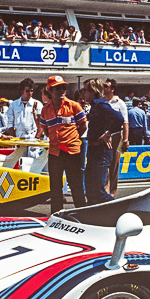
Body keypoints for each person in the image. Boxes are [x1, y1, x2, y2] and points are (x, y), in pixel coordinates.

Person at [37, 75, 87, 214]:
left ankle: (83, 215)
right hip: (55, 153)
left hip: (72, 152)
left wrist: (72, 139)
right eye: (58, 88)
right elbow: (45, 129)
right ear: (50, 91)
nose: (62, 91)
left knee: (76, 186)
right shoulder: (45, 110)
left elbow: (83, 126)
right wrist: (55, 140)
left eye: (63, 88)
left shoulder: (74, 106)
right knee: (55, 187)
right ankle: (56, 216)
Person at [81, 79, 124, 205]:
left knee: (98, 190)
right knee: (90, 189)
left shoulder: (101, 105)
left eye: (85, 90)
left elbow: (119, 118)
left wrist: (108, 133)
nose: (83, 93)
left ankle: (119, 208)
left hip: (101, 151)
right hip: (93, 150)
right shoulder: (95, 106)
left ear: (93, 91)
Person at [102, 79, 129, 198]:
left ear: (112, 89)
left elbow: (125, 123)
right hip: (103, 136)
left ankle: (112, 192)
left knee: (114, 164)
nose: (104, 88)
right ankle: (105, 188)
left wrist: (125, 140)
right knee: (103, 163)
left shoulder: (120, 103)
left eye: (106, 86)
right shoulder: (101, 101)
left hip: (116, 136)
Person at [6, 78, 42, 158]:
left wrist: (37, 137)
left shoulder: (38, 104)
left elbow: (41, 124)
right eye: (27, 91)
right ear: (22, 91)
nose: (30, 93)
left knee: (33, 161)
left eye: (31, 91)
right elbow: (10, 123)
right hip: (19, 137)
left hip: (33, 136)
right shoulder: (13, 105)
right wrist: (14, 138)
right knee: (21, 161)